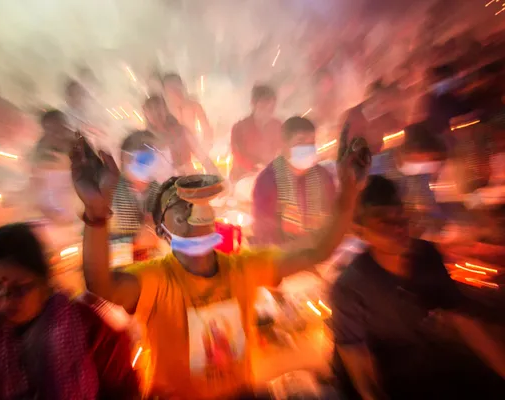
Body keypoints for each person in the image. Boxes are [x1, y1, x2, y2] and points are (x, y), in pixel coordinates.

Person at [70, 133, 364, 399]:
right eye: (179, 205)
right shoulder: (156, 278)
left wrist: (348, 194)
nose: (192, 209)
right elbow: (100, 284)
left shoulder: (245, 267)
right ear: (161, 231)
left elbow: (318, 250)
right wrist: (96, 212)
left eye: (197, 201)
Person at [330, 175, 505, 400]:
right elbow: (360, 366)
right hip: (389, 379)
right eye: (384, 221)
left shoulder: (425, 255)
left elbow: (462, 317)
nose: (399, 228)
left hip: (421, 362)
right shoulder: (350, 288)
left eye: (401, 217)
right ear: (359, 230)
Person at [0, 223, 140, 400]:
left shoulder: (88, 328)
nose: (5, 300)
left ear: (45, 285)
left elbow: (123, 389)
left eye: (20, 289)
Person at [252, 117, 336, 246]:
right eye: (300, 142)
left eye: (311, 143)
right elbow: (265, 232)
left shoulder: (322, 176)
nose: (308, 149)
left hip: (320, 250)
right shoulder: (268, 180)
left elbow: (333, 217)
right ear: (285, 145)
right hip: (284, 255)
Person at [372, 122, 447, 238]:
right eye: (429, 158)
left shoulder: (420, 173)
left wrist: (441, 225)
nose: (429, 165)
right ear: (413, 151)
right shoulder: (376, 167)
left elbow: (428, 203)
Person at [109, 130, 163, 265]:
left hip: (154, 270)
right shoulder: (108, 193)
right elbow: (92, 249)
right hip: (120, 274)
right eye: (144, 159)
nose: (149, 165)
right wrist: (135, 244)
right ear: (125, 158)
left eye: (153, 159)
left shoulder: (157, 190)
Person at [143, 95, 217, 176]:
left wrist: (218, 178)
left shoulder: (182, 132)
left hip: (188, 181)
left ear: (165, 110)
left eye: (158, 108)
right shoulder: (145, 141)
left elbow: (203, 158)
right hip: (164, 185)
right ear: (146, 114)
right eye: (151, 109)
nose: (155, 113)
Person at [230, 85, 283, 182]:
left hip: (271, 175)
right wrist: (256, 167)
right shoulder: (239, 128)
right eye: (263, 106)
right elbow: (238, 155)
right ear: (254, 104)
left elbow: (283, 150)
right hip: (245, 177)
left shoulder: (277, 125)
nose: (267, 111)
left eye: (271, 107)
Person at [340, 80, 404, 156]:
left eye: (384, 101)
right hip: (357, 160)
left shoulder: (384, 115)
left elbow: (396, 127)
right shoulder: (354, 115)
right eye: (380, 101)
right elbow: (349, 145)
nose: (383, 105)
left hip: (376, 157)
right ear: (370, 99)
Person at [162, 73, 214, 151]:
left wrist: (206, 144)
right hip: (173, 151)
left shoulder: (194, 105)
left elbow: (207, 129)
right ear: (166, 92)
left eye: (177, 88)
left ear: (182, 87)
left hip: (194, 147)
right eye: (171, 89)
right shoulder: (163, 110)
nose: (176, 92)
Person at [420, 64, 472, 135]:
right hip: (443, 102)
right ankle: (442, 72)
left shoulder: (439, 116)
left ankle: (443, 72)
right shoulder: (436, 113)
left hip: (444, 102)